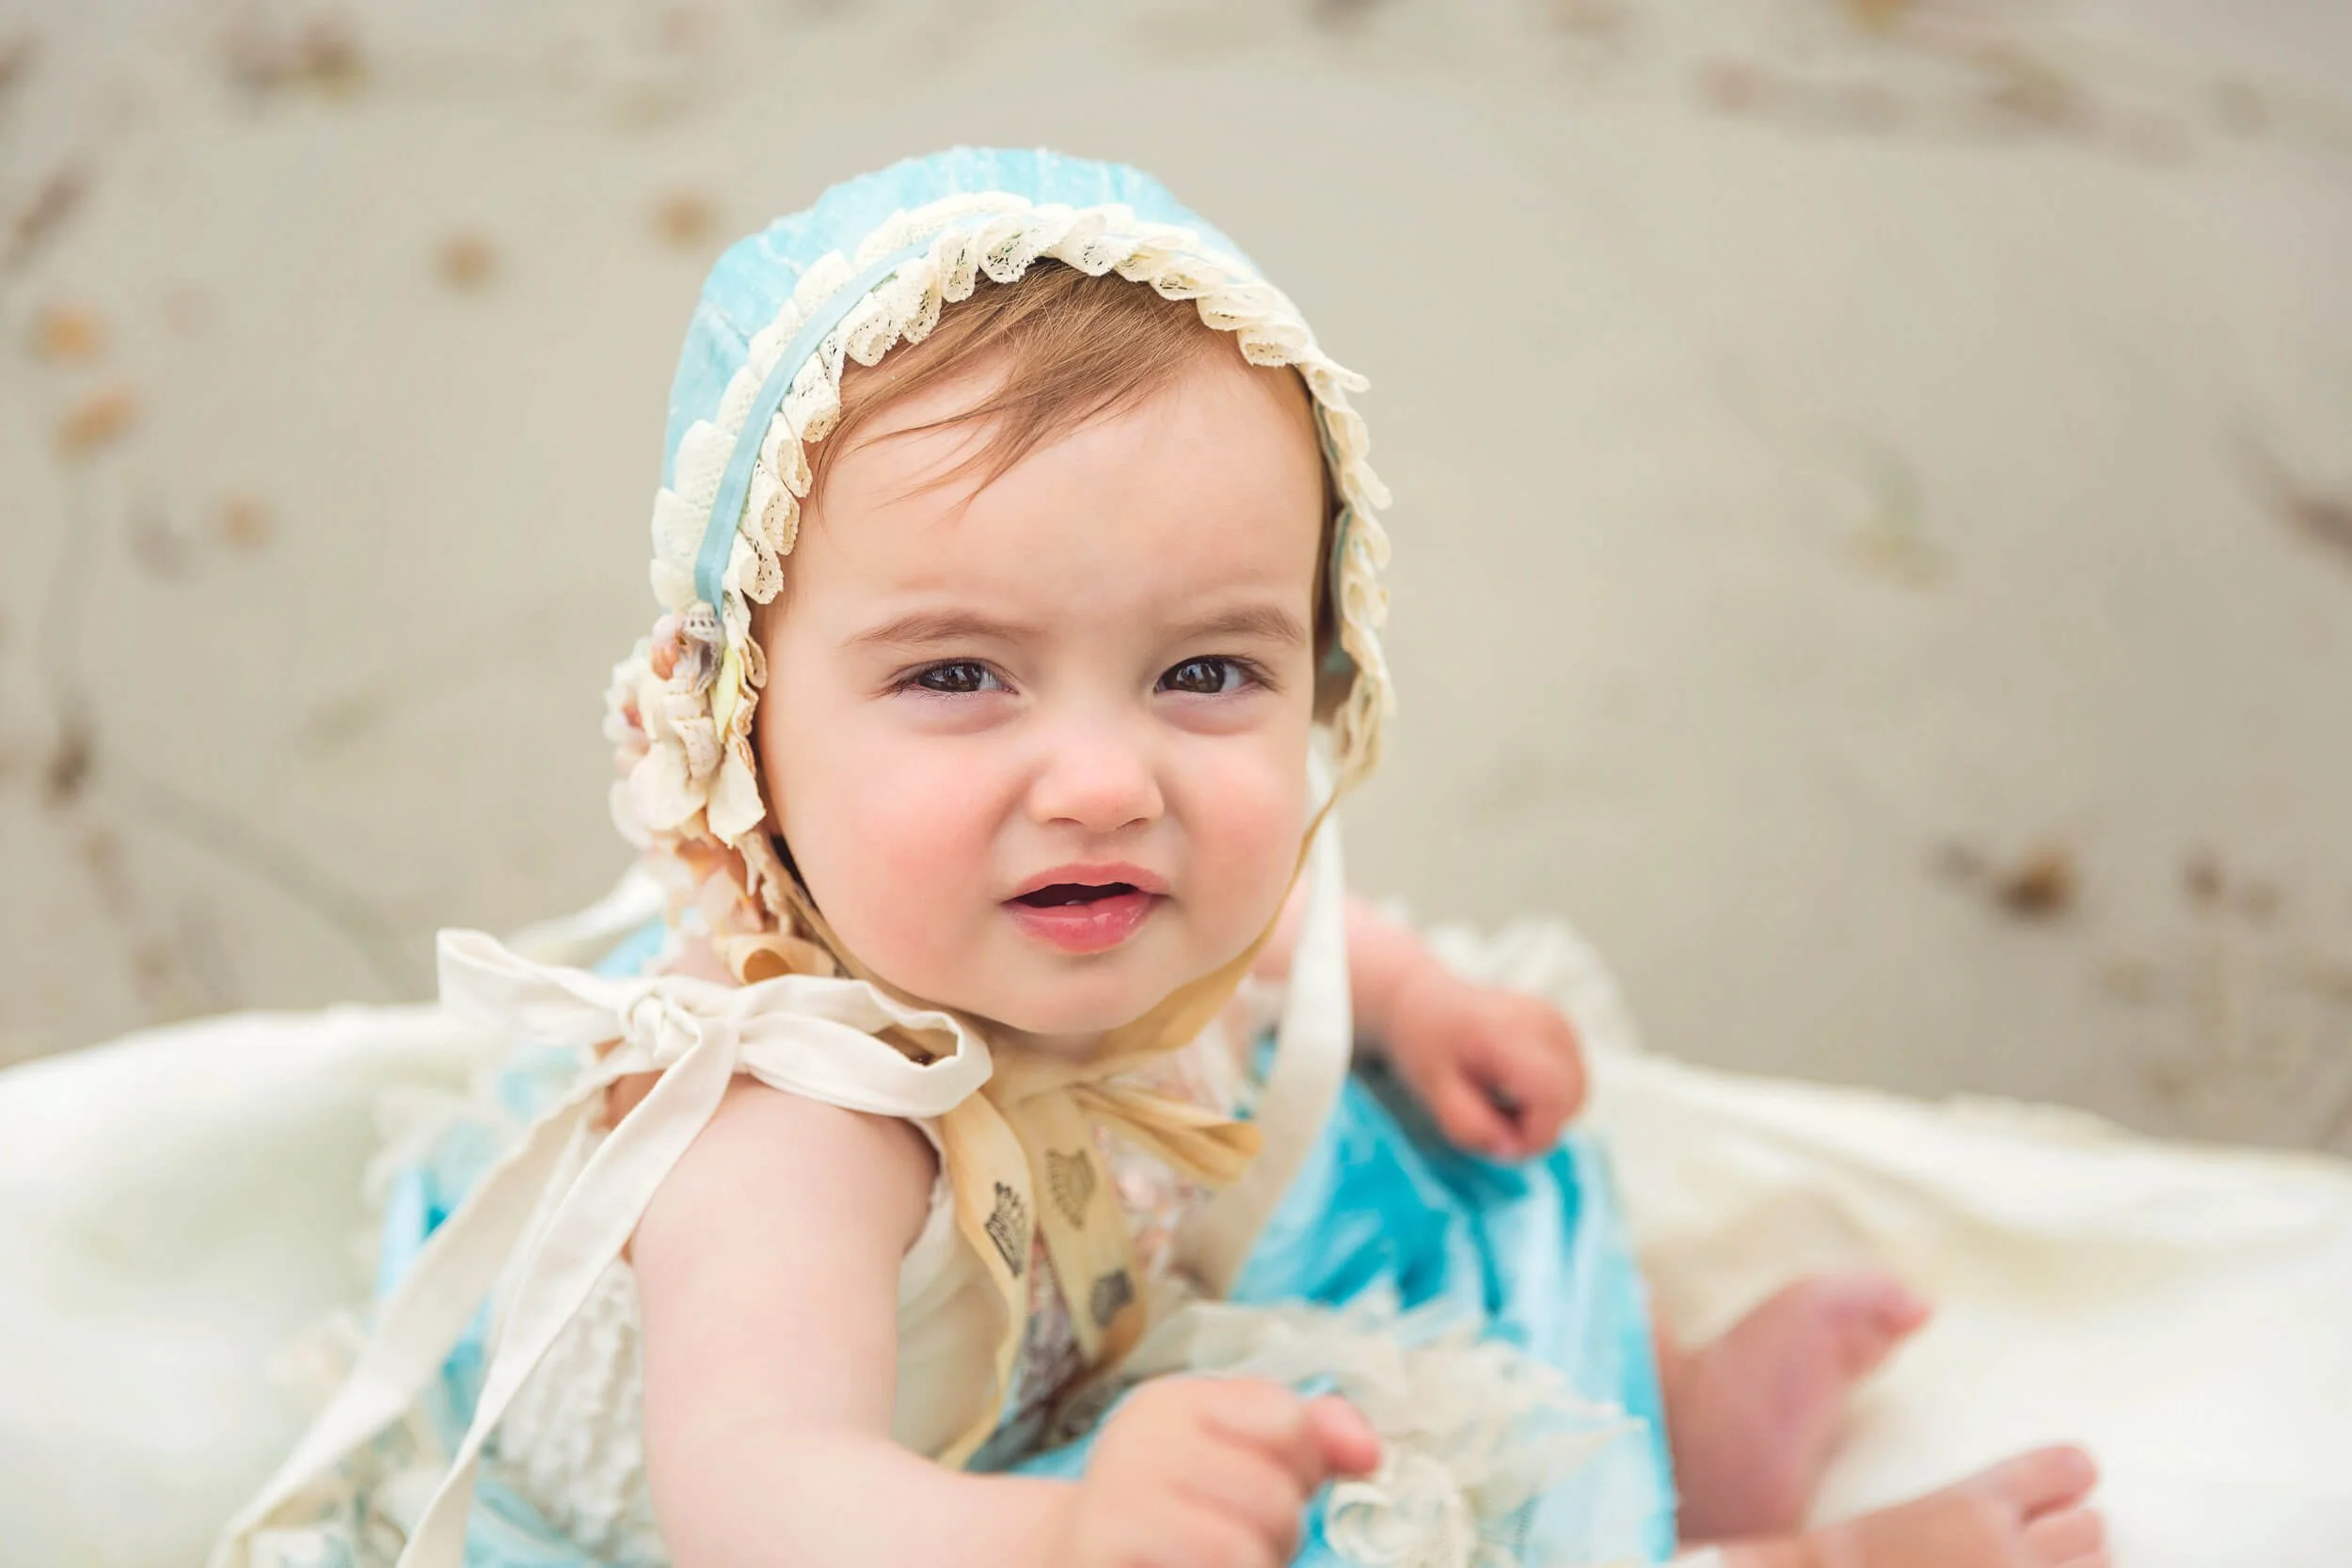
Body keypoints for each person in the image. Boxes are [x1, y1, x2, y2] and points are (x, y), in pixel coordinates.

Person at [215, 148, 2106, 1568]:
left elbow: (1289, 931)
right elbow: (759, 1492)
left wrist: (1423, 992)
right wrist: (1065, 1533)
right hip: (890, 1508)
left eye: (1205, 669)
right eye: (958, 673)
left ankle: (1669, 1425)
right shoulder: (790, 1131)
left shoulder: (1104, 897)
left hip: (1055, 1352)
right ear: (744, 734)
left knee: (1444, 1142)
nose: (1107, 782)